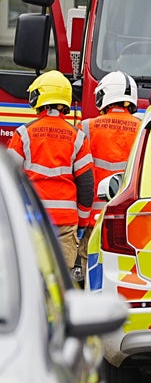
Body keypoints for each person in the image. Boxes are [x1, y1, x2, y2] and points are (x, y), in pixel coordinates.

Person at [8, 71, 94, 267]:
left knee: (34, 275)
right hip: (66, 222)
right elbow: (87, 184)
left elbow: (9, 176)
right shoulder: (77, 137)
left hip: (32, 220)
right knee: (62, 280)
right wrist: (81, 222)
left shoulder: (24, 134)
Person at [77, 70, 142, 275]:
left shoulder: (86, 127)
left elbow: (78, 174)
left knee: (91, 265)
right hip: (129, 215)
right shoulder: (142, 128)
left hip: (93, 217)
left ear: (103, 96)